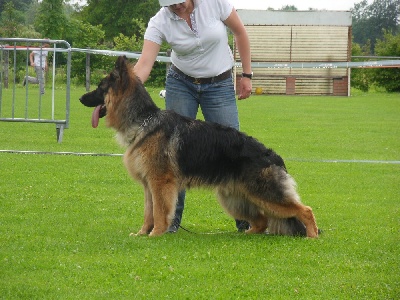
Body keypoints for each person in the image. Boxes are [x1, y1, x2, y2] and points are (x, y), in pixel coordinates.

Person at [133, 0, 253, 233]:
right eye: (171, 4)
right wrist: (124, 91)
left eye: (180, 1)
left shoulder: (215, 3)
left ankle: (245, 220)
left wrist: (246, 74)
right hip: (181, 84)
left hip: (219, 83)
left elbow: (240, 32)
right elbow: (145, 64)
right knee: (171, 155)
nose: (177, 7)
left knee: (233, 149)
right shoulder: (159, 21)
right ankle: (170, 222)